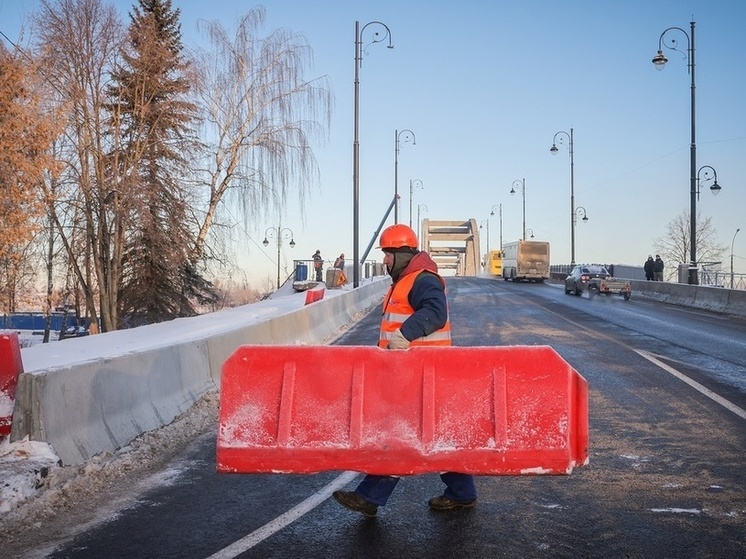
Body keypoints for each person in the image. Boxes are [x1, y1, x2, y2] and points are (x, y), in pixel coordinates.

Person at [332, 224, 477, 518]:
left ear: (401, 254)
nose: (384, 260)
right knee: (431, 436)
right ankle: (462, 493)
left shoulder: (423, 280)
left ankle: (369, 497)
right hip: (411, 374)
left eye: (387, 254)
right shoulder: (405, 281)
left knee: (401, 436)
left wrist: (405, 334)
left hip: (423, 375)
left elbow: (436, 312)